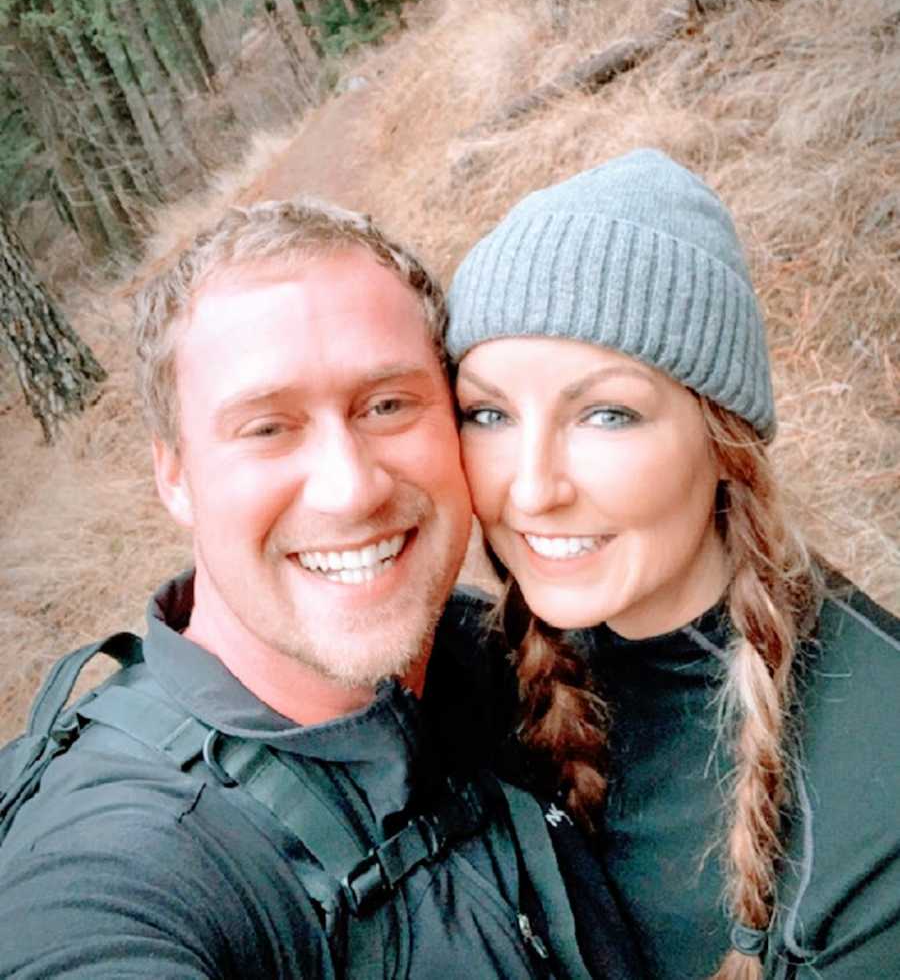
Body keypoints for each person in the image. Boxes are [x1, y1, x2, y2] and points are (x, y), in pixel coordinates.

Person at [0, 199, 640, 978]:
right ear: (175, 475)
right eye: (268, 427)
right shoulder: (118, 858)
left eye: (387, 404)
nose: (350, 489)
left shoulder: (507, 653)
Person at [446, 149, 900, 980]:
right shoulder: (474, 673)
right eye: (489, 412)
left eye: (608, 413)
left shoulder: (880, 778)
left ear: (726, 442)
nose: (533, 487)